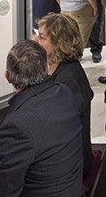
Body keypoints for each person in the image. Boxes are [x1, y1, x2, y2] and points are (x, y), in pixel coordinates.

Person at [0, 40, 83, 197]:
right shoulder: (65, 93)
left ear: (8, 77)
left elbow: (3, 193)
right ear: (46, 68)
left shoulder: (18, 125)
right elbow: (33, 138)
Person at [36, 13, 94, 176]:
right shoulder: (54, 69)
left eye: (41, 37)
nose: (35, 41)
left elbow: (45, 129)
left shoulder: (67, 82)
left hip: (69, 165)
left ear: (59, 43)